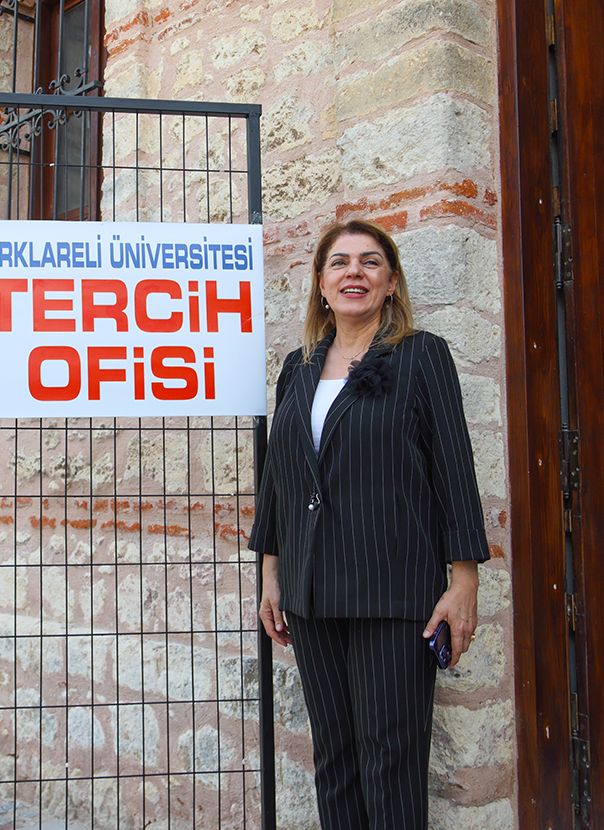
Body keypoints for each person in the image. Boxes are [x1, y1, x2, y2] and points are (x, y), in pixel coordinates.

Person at [251, 218, 488, 830]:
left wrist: (464, 578)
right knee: (335, 759)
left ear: (391, 283)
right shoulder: (298, 367)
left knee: (391, 759)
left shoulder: (421, 355)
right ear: (321, 285)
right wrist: (272, 571)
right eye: (339, 262)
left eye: (370, 261)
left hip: (393, 589)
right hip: (311, 590)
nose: (353, 271)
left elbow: (453, 467)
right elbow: (280, 474)